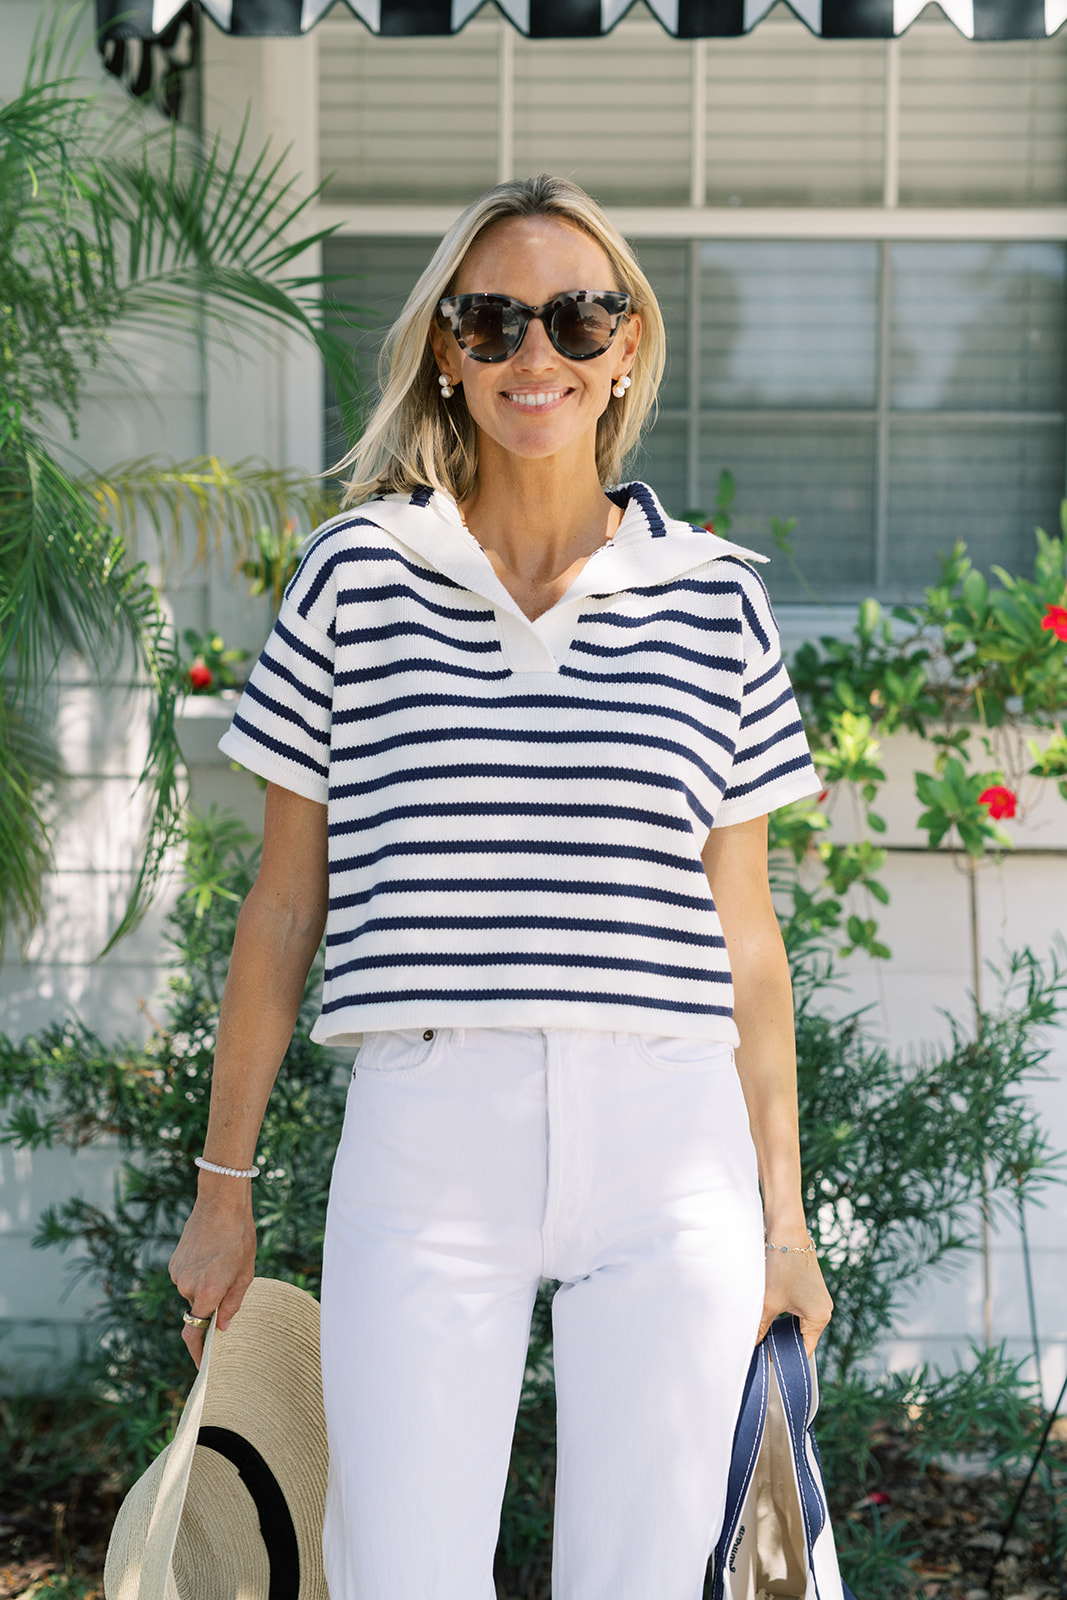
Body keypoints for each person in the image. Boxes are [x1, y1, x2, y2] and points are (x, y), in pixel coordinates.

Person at [169, 172, 833, 1600]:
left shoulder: (716, 596)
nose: (538, 352)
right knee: (400, 1573)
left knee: (644, 1577)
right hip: (430, 1126)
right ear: (447, 352)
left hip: (670, 1137)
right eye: (494, 320)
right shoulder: (355, 576)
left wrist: (785, 1223)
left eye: (578, 317)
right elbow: (283, 905)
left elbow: (748, 938)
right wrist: (223, 1187)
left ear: (626, 346)